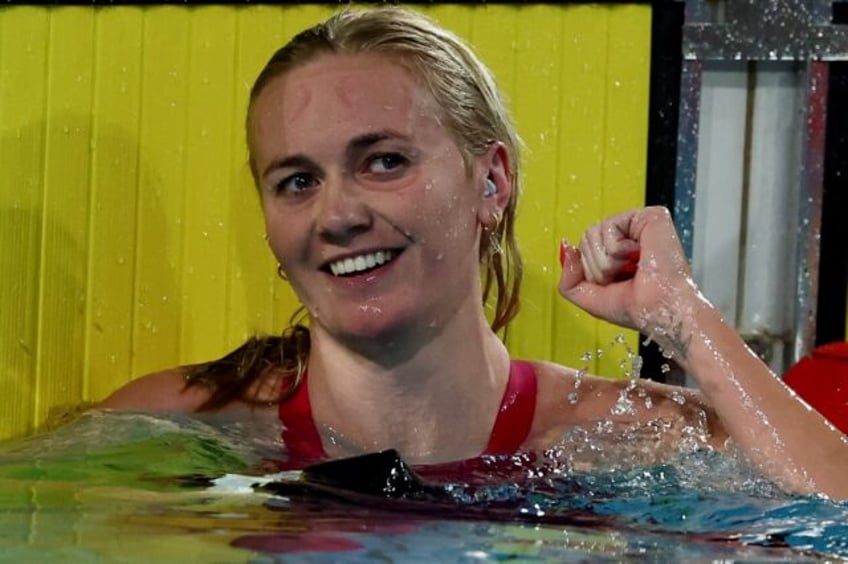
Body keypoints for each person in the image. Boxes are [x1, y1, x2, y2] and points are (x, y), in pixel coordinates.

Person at [100, 7, 848, 498]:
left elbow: (835, 516)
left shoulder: (624, 436)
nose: (337, 215)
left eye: (384, 161)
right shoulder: (176, 432)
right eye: (297, 181)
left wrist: (686, 319)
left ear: (491, 181)